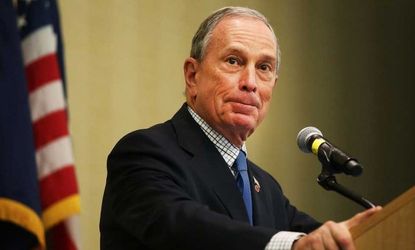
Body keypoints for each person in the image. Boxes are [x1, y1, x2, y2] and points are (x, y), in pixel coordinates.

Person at [100, 6, 380, 250]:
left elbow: (316, 238)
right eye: (234, 61)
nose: (251, 82)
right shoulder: (143, 154)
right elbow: (185, 228)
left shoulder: (265, 187)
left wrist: (367, 234)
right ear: (192, 75)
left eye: (264, 67)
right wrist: (291, 245)